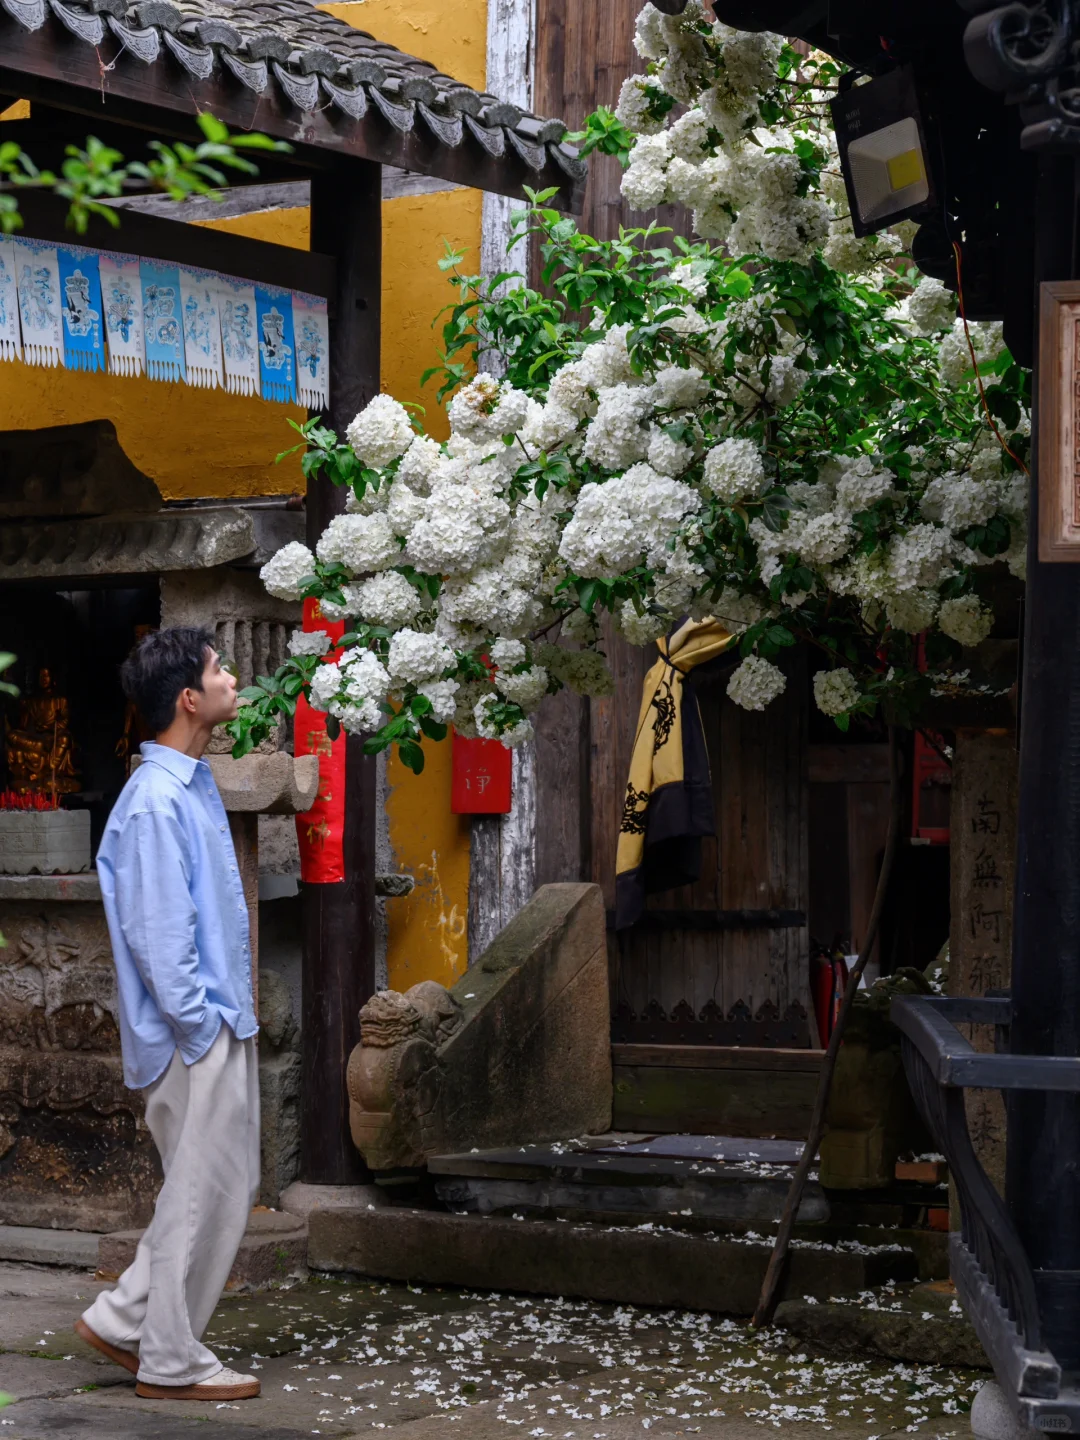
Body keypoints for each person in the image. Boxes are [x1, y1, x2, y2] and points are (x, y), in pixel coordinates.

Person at [74, 627, 261, 1402]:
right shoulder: (155, 800)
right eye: (220, 669)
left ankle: (124, 1320)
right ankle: (172, 1359)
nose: (231, 678)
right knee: (203, 1190)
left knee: (213, 1181)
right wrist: (202, 1027)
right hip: (195, 1030)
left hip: (211, 1020)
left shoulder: (184, 783)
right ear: (189, 698)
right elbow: (160, 938)